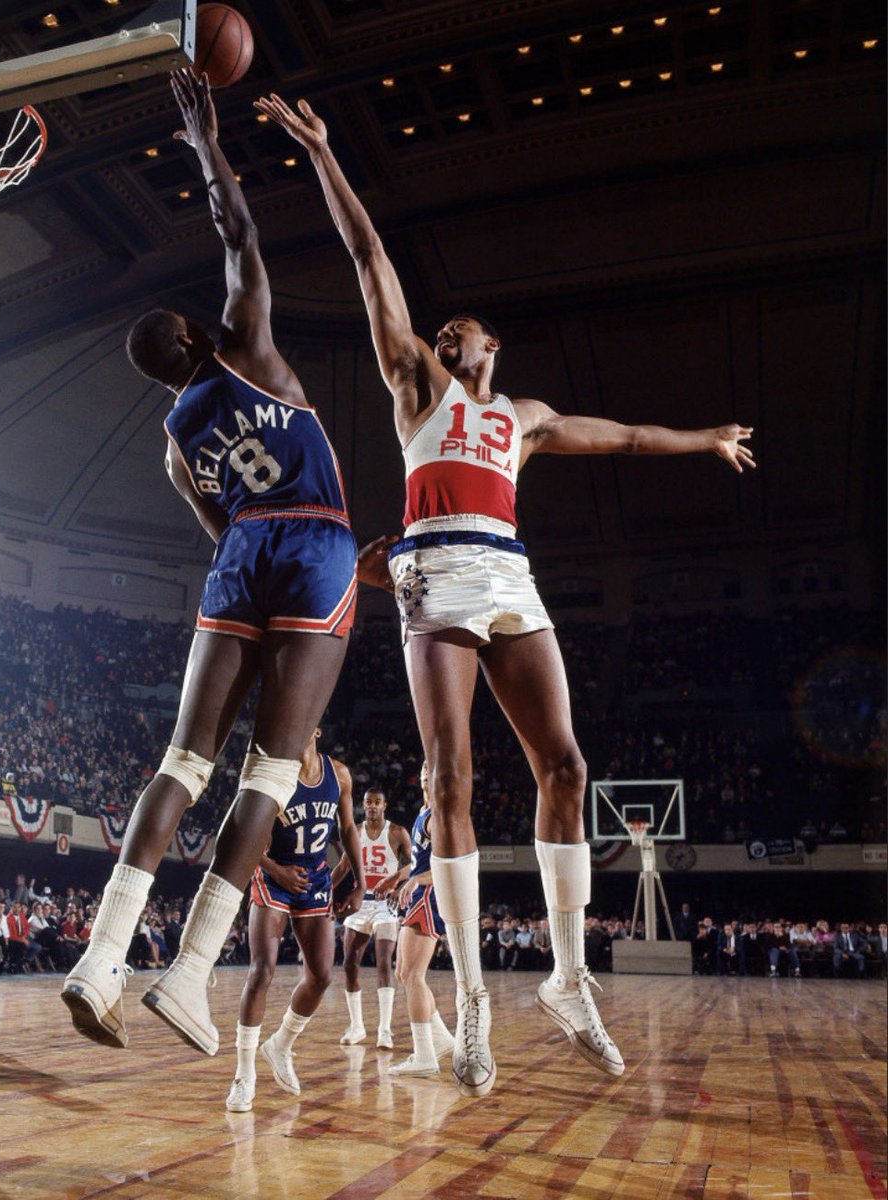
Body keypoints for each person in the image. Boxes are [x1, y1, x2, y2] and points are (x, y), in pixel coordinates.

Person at [257, 90, 755, 1095]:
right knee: (449, 778)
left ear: (493, 348)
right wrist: (322, 153)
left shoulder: (523, 419)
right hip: (436, 573)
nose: (448, 330)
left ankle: (567, 981)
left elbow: (622, 436)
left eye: (464, 328)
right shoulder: (415, 386)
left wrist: (704, 438)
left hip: (508, 574)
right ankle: (476, 1001)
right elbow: (368, 259)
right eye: (441, 328)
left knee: (565, 766)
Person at [62, 69, 357, 1058]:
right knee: (269, 772)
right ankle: (188, 975)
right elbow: (241, 233)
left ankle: (102, 958)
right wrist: (204, 141)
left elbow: (215, 525)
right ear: (193, 334)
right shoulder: (247, 351)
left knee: (183, 762)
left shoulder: (173, 441)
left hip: (238, 555)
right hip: (310, 538)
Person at [227, 730, 363, 1112]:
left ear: (317, 729)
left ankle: (281, 1044)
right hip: (274, 876)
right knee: (262, 970)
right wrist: (275, 870)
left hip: (315, 878)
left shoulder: (339, 774)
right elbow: (242, 833)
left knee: (321, 976)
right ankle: (244, 1075)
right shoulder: (273, 773)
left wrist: (360, 884)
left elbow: (348, 830)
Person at [388, 764, 455, 1077]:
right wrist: (398, 876)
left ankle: (425, 1055)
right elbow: (419, 861)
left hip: (429, 896)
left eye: (433, 767)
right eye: (425, 766)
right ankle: (439, 1038)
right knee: (403, 973)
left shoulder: (437, 816)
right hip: (419, 894)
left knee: (414, 975)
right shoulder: (422, 811)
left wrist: (416, 881)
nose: (427, 770)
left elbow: (446, 866)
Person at [335, 788, 411, 1049]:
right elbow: (343, 867)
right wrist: (322, 892)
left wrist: (399, 885)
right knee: (349, 963)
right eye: (368, 802)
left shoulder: (397, 832)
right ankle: (357, 1026)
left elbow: (413, 865)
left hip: (385, 905)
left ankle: (385, 1030)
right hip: (359, 903)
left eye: (377, 802)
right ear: (363, 805)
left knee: (384, 963)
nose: (372, 806)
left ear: (385, 805)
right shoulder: (355, 832)